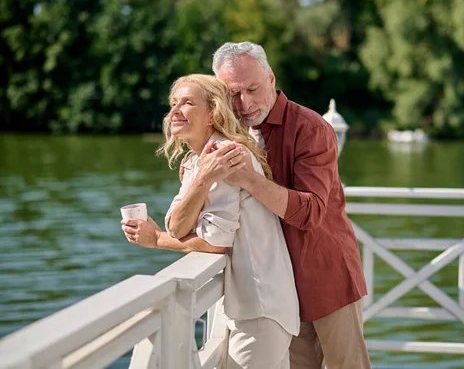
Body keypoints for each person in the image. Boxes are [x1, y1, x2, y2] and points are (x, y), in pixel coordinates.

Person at [210, 42, 371, 369]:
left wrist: (249, 180)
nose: (244, 103)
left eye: (252, 89)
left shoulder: (312, 128)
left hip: (326, 277)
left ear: (271, 78)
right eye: (233, 95)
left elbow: (311, 212)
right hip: (276, 290)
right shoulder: (231, 132)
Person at [121, 74, 299, 369]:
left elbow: (214, 243)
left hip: (261, 306)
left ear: (213, 113)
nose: (175, 110)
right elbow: (177, 226)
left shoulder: (228, 155)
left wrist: (155, 240)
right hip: (243, 305)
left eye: (188, 102)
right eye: (173, 103)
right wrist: (202, 178)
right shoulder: (197, 161)